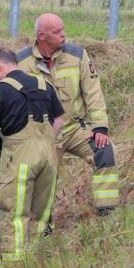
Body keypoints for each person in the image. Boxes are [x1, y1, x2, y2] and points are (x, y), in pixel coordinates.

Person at [0, 49, 65, 262]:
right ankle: (38, 262)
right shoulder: (43, 84)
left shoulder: (1, 90)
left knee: (13, 214)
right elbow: (59, 120)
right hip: (48, 155)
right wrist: (45, 140)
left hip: (20, 157)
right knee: (41, 215)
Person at [13, 14, 118, 215]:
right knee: (42, 176)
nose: (64, 34)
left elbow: (94, 92)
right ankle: (42, 224)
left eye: (63, 29)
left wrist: (100, 127)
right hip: (43, 134)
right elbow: (2, 92)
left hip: (75, 128)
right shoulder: (20, 62)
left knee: (105, 151)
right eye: (57, 32)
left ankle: (107, 212)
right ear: (41, 36)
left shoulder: (78, 55)